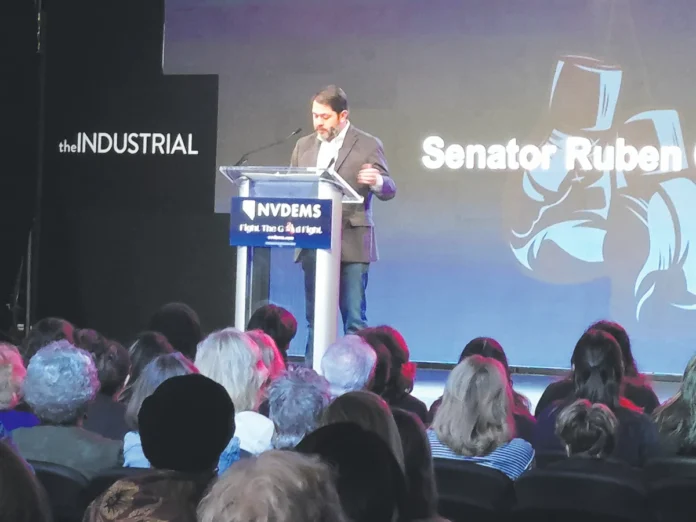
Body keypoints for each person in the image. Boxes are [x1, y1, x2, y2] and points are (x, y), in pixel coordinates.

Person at [291, 85, 397, 365]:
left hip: (352, 240)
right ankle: (312, 374)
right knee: (315, 318)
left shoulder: (367, 144)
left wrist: (377, 181)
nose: (318, 123)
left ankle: (358, 378)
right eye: (315, 116)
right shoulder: (303, 146)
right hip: (314, 240)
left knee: (354, 320)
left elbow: (389, 189)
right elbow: (295, 188)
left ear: (343, 116)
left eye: (325, 117)